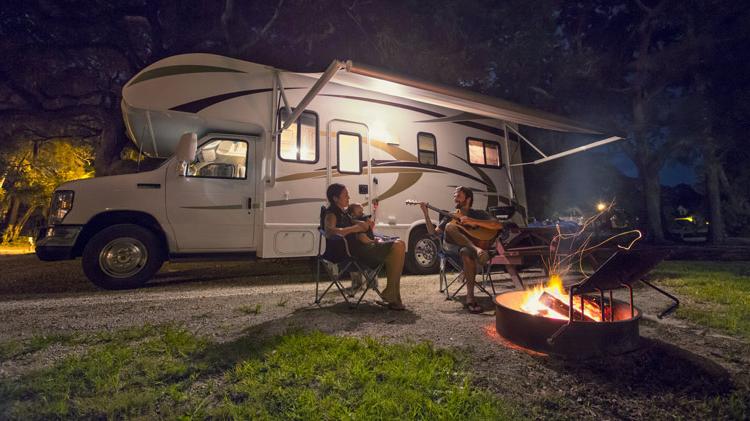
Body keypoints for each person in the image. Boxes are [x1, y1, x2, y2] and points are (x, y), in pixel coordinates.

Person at [420, 186, 502, 314]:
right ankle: (477, 250)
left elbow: (497, 225)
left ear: (468, 199)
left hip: (466, 250)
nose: (455, 198)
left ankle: (470, 298)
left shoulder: (478, 214)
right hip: (452, 249)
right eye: (454, 196)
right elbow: (433, 233)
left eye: (458, 196)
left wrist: (472, 221)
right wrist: (426, 214)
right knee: (450, 226)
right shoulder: (450, 215)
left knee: (465, 252)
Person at [324, 183, 406, 310]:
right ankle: (393, 296)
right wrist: (354, 228)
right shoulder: (331, 213)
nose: (349, 197)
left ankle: (394, 297)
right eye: (345, 195)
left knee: (400, 244)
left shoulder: (344, 213)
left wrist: (362, 224)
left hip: (362, 248)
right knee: (398, 247)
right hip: (355, 253)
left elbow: (356, 224)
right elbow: (330, 232)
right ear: (335, 198)